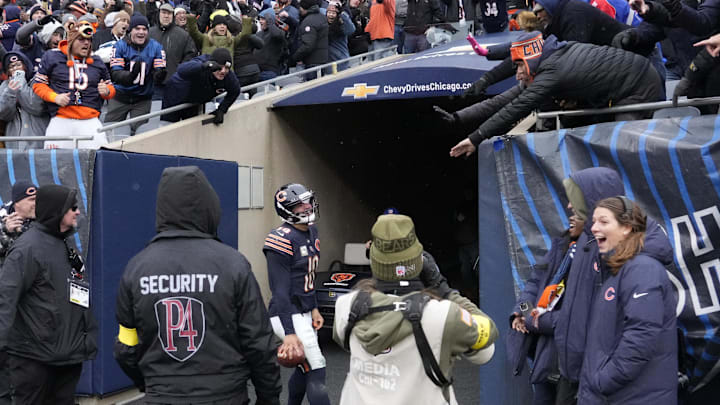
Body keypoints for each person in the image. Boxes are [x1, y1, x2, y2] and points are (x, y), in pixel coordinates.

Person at [114, 166, 281, 404]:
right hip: (224, 395)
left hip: (162, 395)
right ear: (210, 209)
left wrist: (152, 384)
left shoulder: (137, 268)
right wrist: (269, 397)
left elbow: (126, 346)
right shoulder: (233, 264)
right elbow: (258, 342)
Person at [333, 214, 498, 405]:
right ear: (419, 261)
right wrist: (443, 289)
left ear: (375, 262)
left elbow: (344, 339)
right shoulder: (442, 315)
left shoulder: (348, 306)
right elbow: (486, 349)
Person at [449, 32, 663, 158]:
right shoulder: (551, 56)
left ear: (530, 61)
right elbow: (502, 100)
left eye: (518, 66)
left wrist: (475, 139)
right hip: (633, 79)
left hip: (640, 86)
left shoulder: (551, 73)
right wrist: (459, 116)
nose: (517, 74)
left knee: (624, 152)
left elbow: (514, 109)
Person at [0, 184, 97, 405]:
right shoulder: (27, 249)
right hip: (34, 361)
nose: (78, 212)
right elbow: (5, 300)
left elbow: (78, 294)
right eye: (72, 207)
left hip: (68, 359)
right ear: (57, 211)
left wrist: (86, 339)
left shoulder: (64, 245)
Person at [578, 197, 677, 404]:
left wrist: (604, 381)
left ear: (627, 228)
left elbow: (642, 333)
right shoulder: (618, 270)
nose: (594, 228)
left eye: (603, 222)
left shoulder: (642, 268)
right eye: (593, 221)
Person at [506, 202, 585, 405]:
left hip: (574, 360)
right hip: (546, 356)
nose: (570, 215)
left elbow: (575, 319)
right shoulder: (562, 246)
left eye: (577, 212)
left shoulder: (595, 257)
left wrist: (533, 320)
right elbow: (533, 283)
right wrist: (522, 312)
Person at [263, 183, 330, 405]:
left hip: (303, 310)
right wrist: (289, 332)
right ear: (286, 210)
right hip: (286, 312)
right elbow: (280, 291)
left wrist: (314, 308)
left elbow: (306, 279)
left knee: (304, 368)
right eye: (299, 205)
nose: (307, 207)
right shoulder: (280, 239)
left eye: (307, 201)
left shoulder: (312, 231)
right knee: (317, 367)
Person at [33, 21, 116, 148]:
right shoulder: (52, 56)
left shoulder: (97, 61)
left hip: (90, 121)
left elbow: (110, 88)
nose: (87, 43)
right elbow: (38, 85)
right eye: (81, 39)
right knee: (55, 162)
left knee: (97, 161)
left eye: (89, 40)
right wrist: (54, 97)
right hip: (61, 120)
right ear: (71, 40)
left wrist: (107, 92)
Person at [106, 14, 166, 136]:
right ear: (130, 30)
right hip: (120, 97)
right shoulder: (120, 46)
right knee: (110, 131)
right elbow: (116, 73)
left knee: (140, 133)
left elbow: (159, 70)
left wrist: (159, 75)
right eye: (137, 29)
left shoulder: (156, 47)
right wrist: (131, 76)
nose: (141, 32)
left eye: (144, 29)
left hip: (142, 98)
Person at [160, 47, 240, 124]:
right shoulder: (202, 63)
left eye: (226, 68)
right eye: (220, 67)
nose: (223, 71)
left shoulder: (228, 76)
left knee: (191, 126)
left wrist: (222, 110)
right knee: (169, 127)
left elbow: (235, 90)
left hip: (195, 100)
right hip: (175, 96)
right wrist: (202, 66)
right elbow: (181, 70)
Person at [0, 52, 50, 149]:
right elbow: (3, 115)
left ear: (26, 65)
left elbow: (37, 107)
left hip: (38, 140)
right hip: (14, 142)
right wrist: (10, 92)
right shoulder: (5, 86)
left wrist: (20, 83)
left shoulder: (37, 81)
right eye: (11, 67)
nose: (15, 69)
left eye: (18, 65)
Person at [150, 4, 196, 100]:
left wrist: (179, 72)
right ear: (158, 14)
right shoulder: (150, 33)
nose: (166, 16)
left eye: (169, 13)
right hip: (153, 85)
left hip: (174, 84)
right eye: (163, 13)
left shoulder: (183, 35)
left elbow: (190, 55)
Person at [290, 0, 329, 76]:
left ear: (305, 8)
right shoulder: (322, 17)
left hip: (312, 62)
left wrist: (295, 57)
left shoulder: (308, 21)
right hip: (322, 60)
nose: (299, 9)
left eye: (300, 7)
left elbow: (308, 45)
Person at [256, 8, 288, 81]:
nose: (260, 21)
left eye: (263, 19)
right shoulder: (258, 34)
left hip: (270, 72)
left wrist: (270, 22)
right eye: (260, 19)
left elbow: (276, 35)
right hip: (258, 72)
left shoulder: (279, 32)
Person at [326, 0, 355, 70]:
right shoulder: (323, 24)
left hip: (341, 61)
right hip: (328, 63)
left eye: (334, 13)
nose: (331, 15)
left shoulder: (341, 26)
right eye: (329, 12)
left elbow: (351, 29)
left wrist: (343, 14)